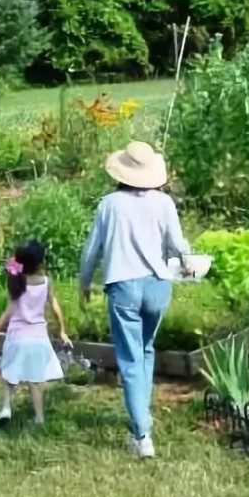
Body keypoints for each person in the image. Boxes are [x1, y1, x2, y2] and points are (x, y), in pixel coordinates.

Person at [79, 141, 191, 459]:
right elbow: (177, 243)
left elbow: (92, 249)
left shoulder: (109, 204)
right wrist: (187, 261)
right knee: (145, 349)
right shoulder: (164, 202)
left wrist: (84, 282)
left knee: (129, 359)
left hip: (123, 286)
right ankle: (143, 415)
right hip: (158, 286)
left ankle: (141, 434)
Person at [0, 240, 71, 426]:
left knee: (9, 374)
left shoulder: (16, 281)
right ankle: (39, 418)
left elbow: (8, 311)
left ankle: (6, 407)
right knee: (35, 380)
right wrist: (62, 331)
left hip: (17, 337)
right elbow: (55, 308)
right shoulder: (46, 282)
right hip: (38, 339)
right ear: (40, 263)